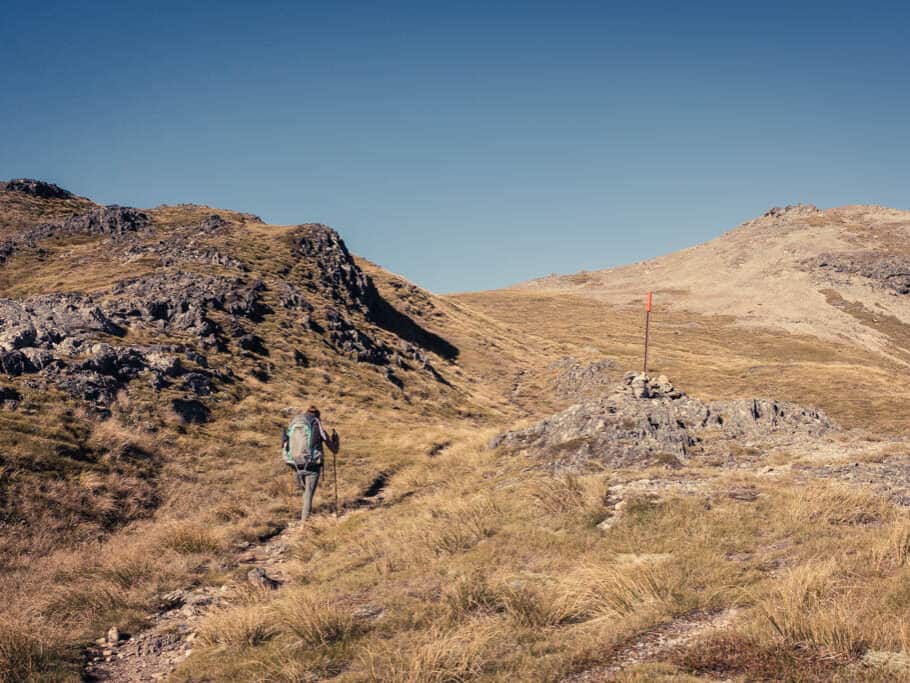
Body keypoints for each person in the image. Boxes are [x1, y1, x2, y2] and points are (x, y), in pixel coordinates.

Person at [283, 406, 337, 521]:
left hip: (295, 463)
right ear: (317, 416)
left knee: (304, 492)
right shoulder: (316, 425)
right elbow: (334, 449)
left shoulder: (295, 423)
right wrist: (336, 440)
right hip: (312, 465)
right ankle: (304, 524)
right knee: (308, 495)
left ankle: (302, 516)